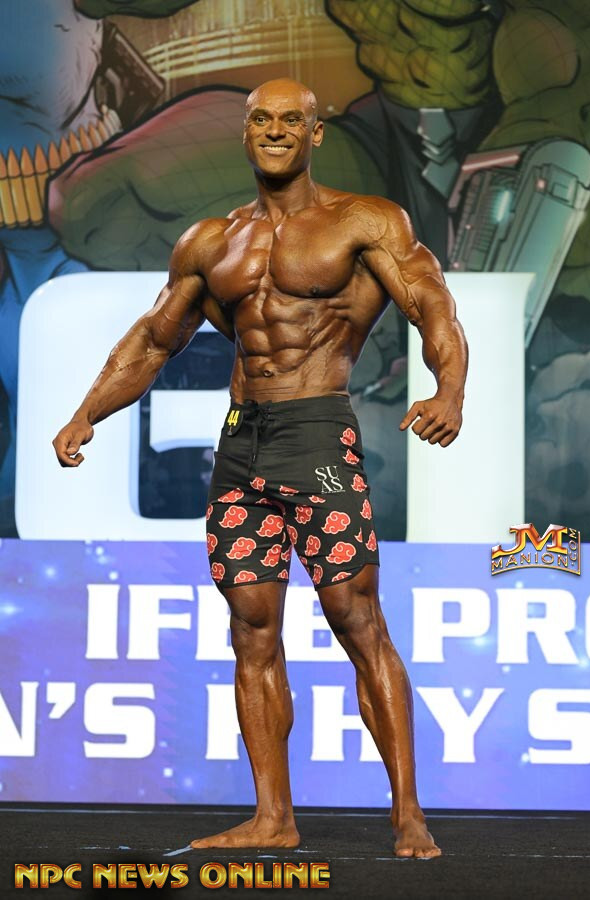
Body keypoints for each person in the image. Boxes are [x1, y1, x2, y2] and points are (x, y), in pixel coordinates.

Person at [52, 77, 468, 859]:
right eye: (262, 120)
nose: (276, 131)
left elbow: (432, 303)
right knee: (251, 630)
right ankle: (273, 818)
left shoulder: (364, 222)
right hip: (241, 448)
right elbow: (153, 339)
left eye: (291, 121)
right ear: (245, 133)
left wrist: (449, 389)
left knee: (356, 618)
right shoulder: (211, 242)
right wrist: (87, 412)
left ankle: (408, 814)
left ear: (314, 133)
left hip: (317, 438)